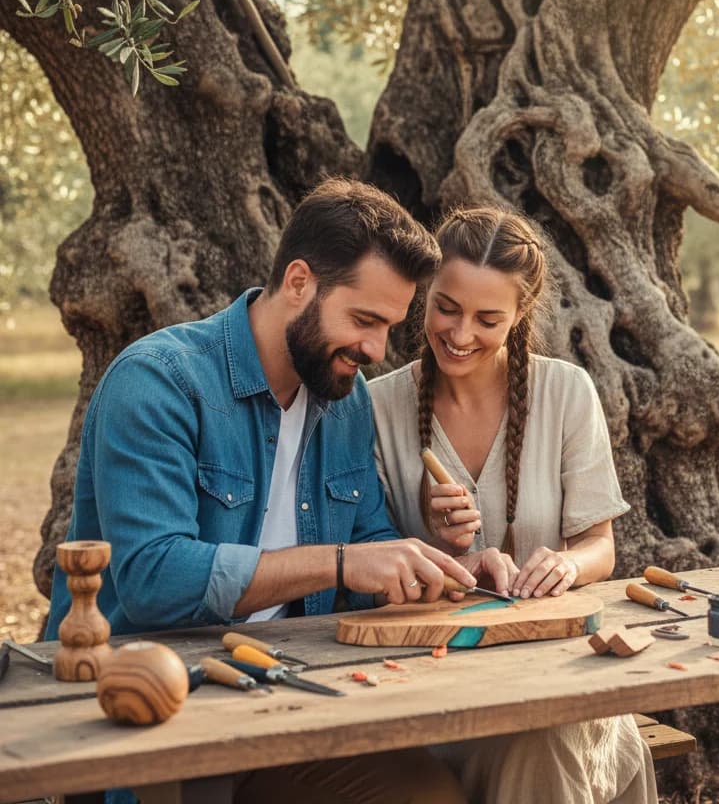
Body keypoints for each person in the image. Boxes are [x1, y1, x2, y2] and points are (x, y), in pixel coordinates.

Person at [45, 177, 509, 804]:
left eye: (389, 326)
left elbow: (368, 545)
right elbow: (153, 578)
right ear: (298, 283)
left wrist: (439, 566)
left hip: (293, 703)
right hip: (155, 710)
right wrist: (343, 562)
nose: (375, 349)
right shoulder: (159, 382)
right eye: (364, 320)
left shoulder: (344, 403)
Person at [369, 206, 657, 804]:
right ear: (425, 291)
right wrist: (437, 552)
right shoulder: (375, 408)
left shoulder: (565, 392)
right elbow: (364, 565)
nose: (460, 333)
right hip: (428, 682)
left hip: (556, 675)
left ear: (521, 314)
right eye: (446, 307)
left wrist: (568, 564)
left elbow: (601, 545)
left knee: (537, 740)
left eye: (487, 318)